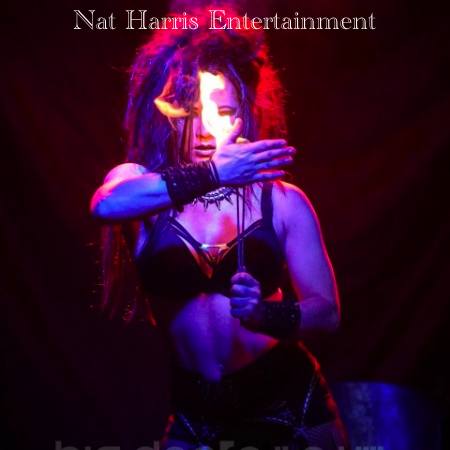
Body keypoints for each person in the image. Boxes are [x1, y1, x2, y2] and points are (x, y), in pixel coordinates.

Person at [91, 9, 350, 450]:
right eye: (191, 112)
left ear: (243, 116)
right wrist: (213, 174)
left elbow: (327, 314)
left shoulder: (282, 201)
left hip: (287, 404)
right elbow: (105, 205)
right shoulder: (142, 187)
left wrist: (267, 315)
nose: (206, 129)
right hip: (195, 415)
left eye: (223, 111)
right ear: (170, 115)